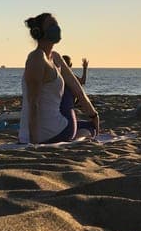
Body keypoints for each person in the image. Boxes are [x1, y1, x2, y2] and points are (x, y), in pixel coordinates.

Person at [20, 13, 100, 143]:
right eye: (51, 25)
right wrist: (34, 142)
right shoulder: (37, 57)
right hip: (47, 134)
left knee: (88, 125)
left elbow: (79, 89)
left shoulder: (55, 57)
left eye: (56, 24)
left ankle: (82, 133)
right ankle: (80, 136)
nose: (56, 27)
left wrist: (94, 115)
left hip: (33, 133)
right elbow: (33, 102)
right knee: (68, 90)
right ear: (39, 32)